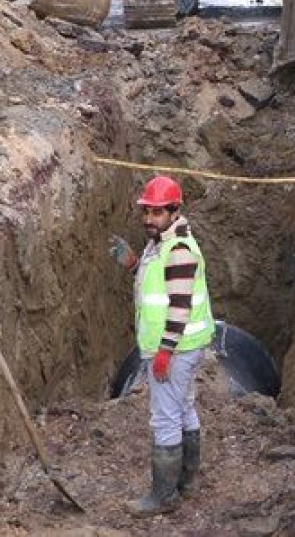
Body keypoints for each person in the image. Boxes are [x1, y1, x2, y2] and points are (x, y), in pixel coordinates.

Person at [108, 175, 216, 517]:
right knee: (183, 408)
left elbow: (179, 307)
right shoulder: (162, 243)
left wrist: (165, 352)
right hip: (184, 346)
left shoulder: (178, 250)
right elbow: (161, 284)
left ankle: (163, 496)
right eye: (146, 211)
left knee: (165, 418)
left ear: (174, 211)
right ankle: (186, 482)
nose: (149, 219)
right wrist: (133, 265)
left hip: (176, 348)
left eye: (157, 213)